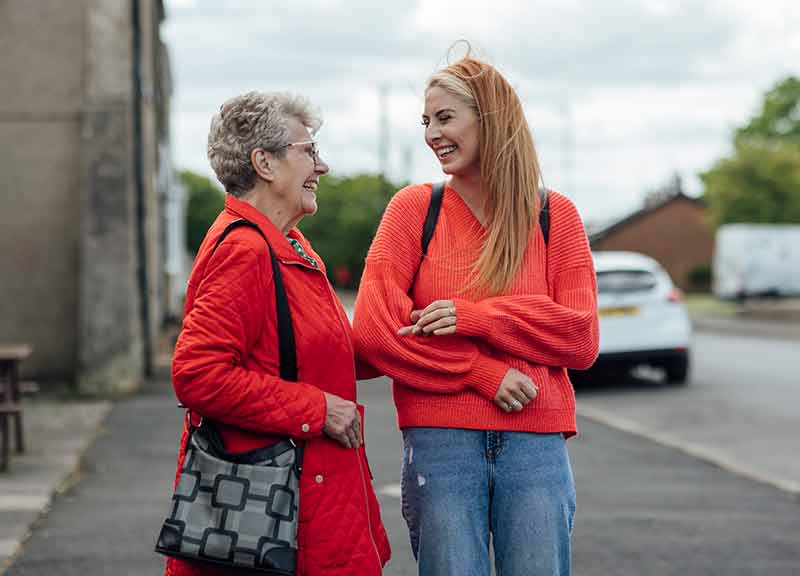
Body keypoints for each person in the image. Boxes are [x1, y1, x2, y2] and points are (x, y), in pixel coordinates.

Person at [353, 54, 599, 576]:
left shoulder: (557, 215)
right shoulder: (414, 210)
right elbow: (375, 330)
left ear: (488, 117)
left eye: (444, 118)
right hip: (441, 443)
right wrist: (481, 372)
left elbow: (579, 338)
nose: (431, 135)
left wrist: (476, 318)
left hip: (537, 444)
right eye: (426, 121)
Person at [166, 91, 390, 576]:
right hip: (277, 517)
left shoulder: (288, 244)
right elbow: (197, 375)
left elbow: (324, 355)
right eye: (308, 150)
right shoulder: (246, 251)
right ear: (264, 162)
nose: (322, 166)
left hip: (312, 502)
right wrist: (317, 409)